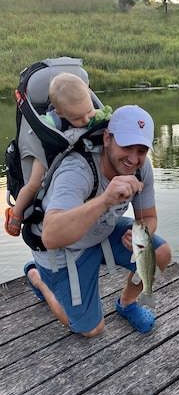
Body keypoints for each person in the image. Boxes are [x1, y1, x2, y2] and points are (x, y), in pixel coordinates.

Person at [24, 104, 171, 336]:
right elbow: (50, 237)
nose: (133, 158)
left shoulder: (142, 169)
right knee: (91, 329)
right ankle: (37, 277)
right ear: (107, 138)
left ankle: (127, 303)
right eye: (127, 146)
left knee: (160, 253)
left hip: (101, 232)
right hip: (63, 249)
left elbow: (149, 217)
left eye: (141, 150)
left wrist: (140, 234)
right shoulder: (77, 170)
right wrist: (105, 200)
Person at [4, 72, 106, 237]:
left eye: (89, 112)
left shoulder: (89, 110)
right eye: (78, 118)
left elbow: (101, 118)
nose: (87, 120)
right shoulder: (52, 119)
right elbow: (40, 131)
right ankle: (16, 212)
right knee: (34, 184)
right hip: (47, 151)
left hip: (76, 153)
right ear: (61, 113)